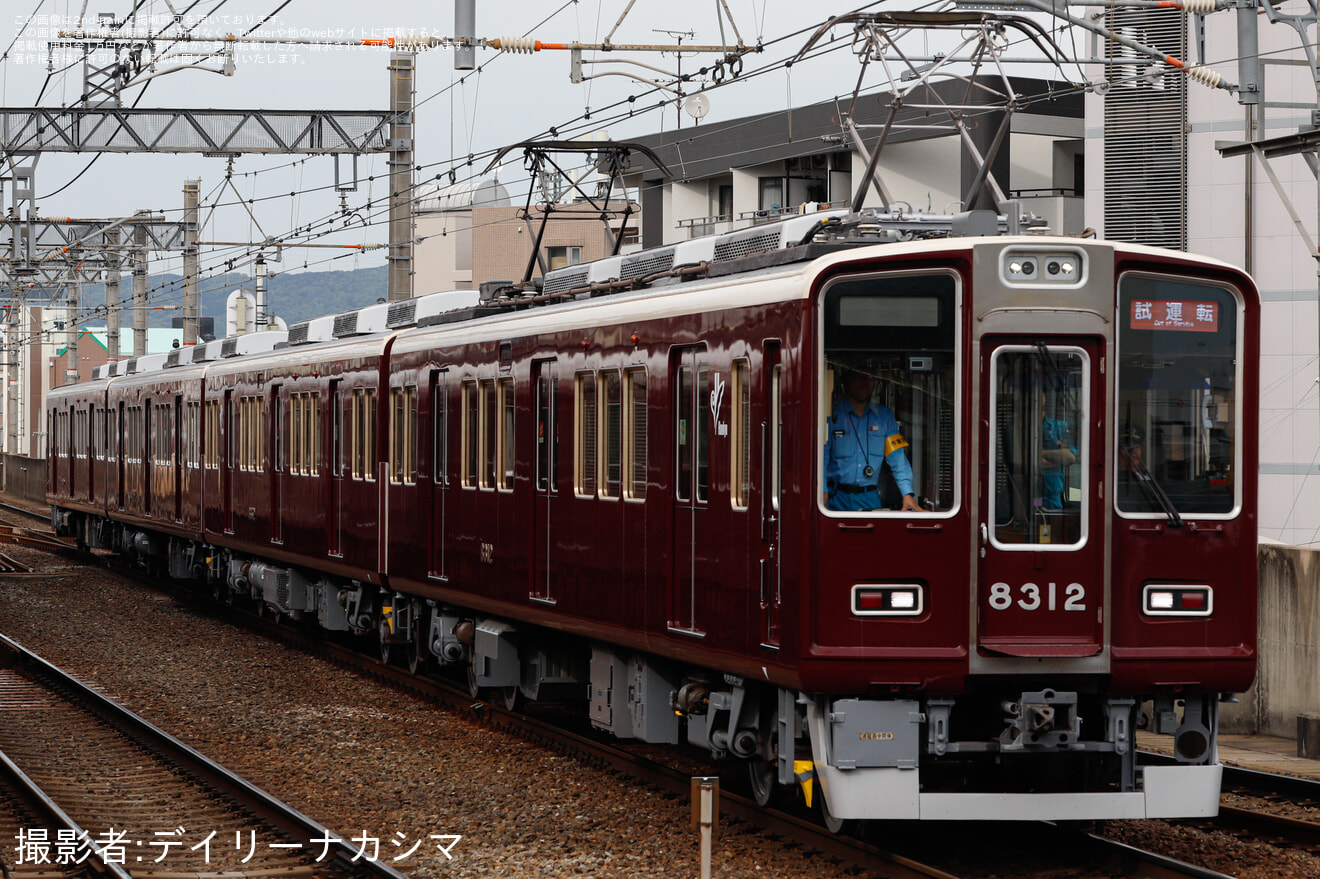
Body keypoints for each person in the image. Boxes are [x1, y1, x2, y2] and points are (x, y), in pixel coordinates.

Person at [824, 369, 921, 512]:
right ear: (847, 381)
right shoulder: (832, 414)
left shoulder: (884, 416)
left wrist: (907, 494)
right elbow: (822, 457)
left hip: (869, 499)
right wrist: (822, 491)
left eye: (868, 377)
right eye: (858, 376)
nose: (863, 382)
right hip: (835, 499)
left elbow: (897, 457)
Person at [1040, 398, 1077, 510]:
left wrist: (1040, 453)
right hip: (1034, 495)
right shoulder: (1022, 428)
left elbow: (1070, 457)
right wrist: (1057, 460)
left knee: (1054, 518)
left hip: (1053, 497)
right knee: (1036, 511)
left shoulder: (1059, 427)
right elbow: (1029, 464)